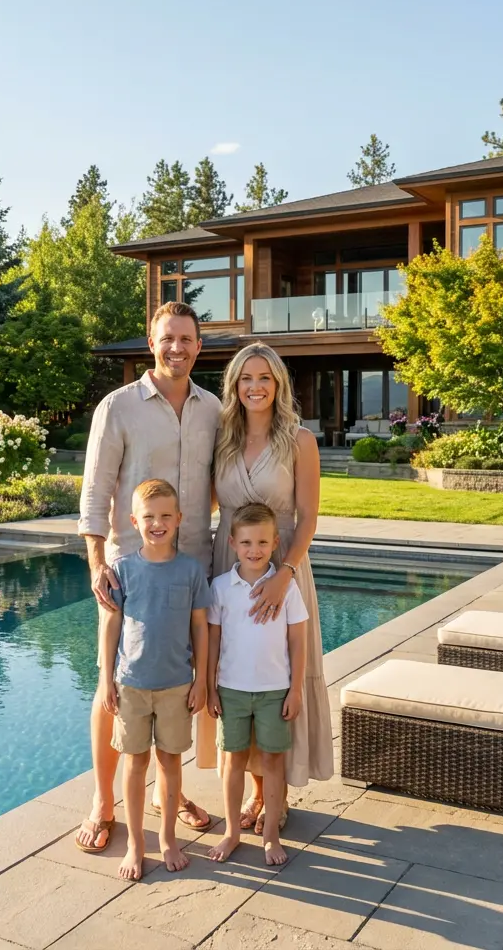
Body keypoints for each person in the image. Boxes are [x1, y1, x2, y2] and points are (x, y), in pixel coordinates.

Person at [76, 301, 221, 852]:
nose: (176, 348)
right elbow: (94, 492)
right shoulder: (117, 408)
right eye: (167, 338)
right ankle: (102, 798)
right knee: (114, 682)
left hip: (191, 569)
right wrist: (96, 563)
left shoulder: (213, 410)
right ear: (151, 340)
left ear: (199, 346)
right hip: (128, 572)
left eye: (186, 339)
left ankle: (167, 792)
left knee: (175, 681)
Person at [196, 341, 333, 830]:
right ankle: (253, 791)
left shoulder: (300, 440)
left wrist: (284, 575)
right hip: (228, 562)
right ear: (234, 386)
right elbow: (206, 503)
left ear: (278, 385)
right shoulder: (222, 439)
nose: (255, 387)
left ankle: (274, 793)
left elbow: (310, 518)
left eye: (265, 379)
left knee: (275, 669)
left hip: (283, 564)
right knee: (237, 672)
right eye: (246, 379)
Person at [96, 479, 209, 880]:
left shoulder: (191, 570)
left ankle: (167, 839)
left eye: (165, 516)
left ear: (179, 519)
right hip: (131, 684)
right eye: (149, 517)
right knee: (134, 763)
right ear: (134, 521)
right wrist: (104, 679)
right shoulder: (123, 570)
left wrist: (202, 680)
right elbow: (111, 626)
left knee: (170, 762)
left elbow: (201, 628)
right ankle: (136, 843)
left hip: (177, 684)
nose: (157, 523)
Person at [207, 503, 307, 866]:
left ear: (275, 542)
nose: (255, 550)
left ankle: (271, 836)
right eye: (247, 542)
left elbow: (298, 641)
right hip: (231, 690)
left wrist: (295, 689)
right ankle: (232, 832)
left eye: (263, 542)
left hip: (274, 691)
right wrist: (209, 685)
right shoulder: (220, 588)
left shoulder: (286, 588)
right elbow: (214, 641)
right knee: (233, 761)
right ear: (232, 542)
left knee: (273, 762)